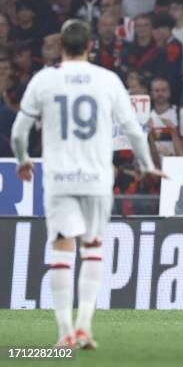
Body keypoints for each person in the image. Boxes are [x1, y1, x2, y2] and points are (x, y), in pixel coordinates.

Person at [9, 19, 166, 348]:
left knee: (62, 250)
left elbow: (18, 133)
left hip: (60, 179)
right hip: (96, 179)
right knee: (93, 247)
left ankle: (65, 332)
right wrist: (148, 165)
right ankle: (84, 328)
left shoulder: (44, 80)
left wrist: (23, 159)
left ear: (62, 46)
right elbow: (134, 130)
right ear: (91, 47)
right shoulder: (107, 79)